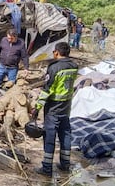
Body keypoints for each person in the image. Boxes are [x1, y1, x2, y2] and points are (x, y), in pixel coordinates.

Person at [31, 42, 78, 177]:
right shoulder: (74, 66)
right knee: (65, 135)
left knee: (49, 137)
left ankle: (46, 168)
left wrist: (37, 107)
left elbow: (47, 90)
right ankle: (65, 164)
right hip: (66, 107)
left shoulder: (54, 68)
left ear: (56, 52)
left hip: (53, 108)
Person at [0, 29, 29, 104]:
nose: (9, 40)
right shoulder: (4, 40)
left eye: (11, 38)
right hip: (2, 66)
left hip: (13, 68)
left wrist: (26, 67)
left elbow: (25, 56)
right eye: (8, 38)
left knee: (11, 85)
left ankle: (9, 101)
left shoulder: (21, 44)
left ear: (15, 37)